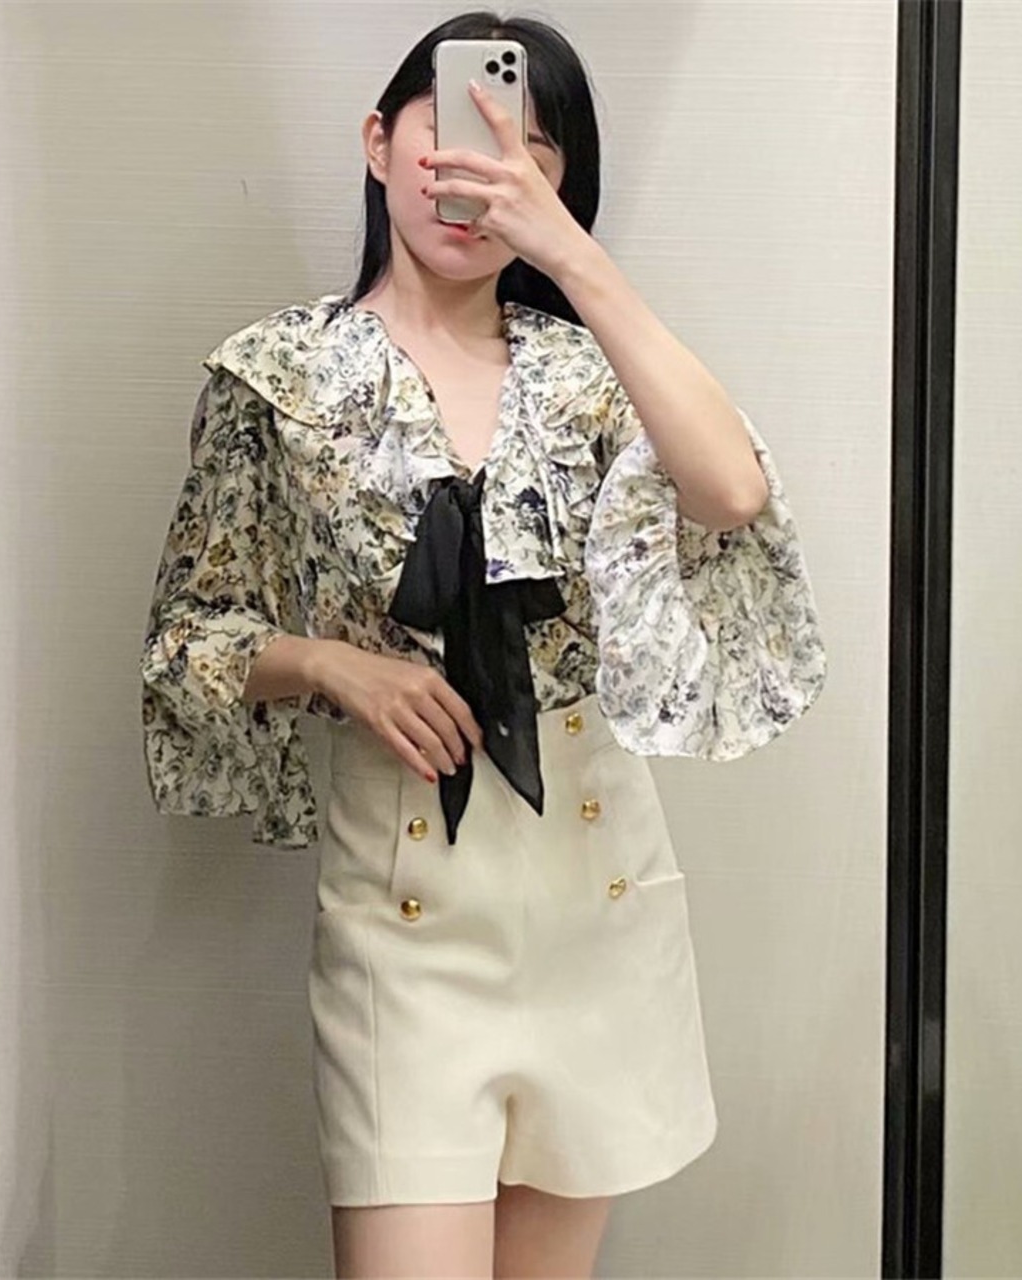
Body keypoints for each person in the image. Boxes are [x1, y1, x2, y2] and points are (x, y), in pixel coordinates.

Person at [139, 11, 827, 1278]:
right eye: (449, 131)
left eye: (526, 151)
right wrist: (328, 664)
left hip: (596, 892)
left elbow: (729, 493)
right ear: (377, 142)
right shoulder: (274, 376)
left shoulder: (591, 375)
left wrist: (570, 257)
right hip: (402, 911)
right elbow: (187, 640)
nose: (475, 171)